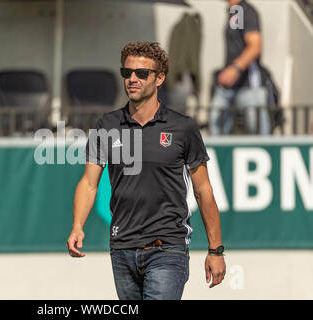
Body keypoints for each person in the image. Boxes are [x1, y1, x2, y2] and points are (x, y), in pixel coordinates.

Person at [67, 41, 226, 300]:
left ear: (159, 78)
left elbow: (203, 190)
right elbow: (88, 183)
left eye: (141, 74)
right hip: (122, 248)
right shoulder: (106, 125)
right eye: (126, 73)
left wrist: (215, 250)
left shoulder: (183, 127)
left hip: (167, 248)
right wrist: (77, 226)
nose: (132, 79)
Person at [209, 0, 271, 135]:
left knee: (260, 135)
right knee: (215, 129)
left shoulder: (247, 11)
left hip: (249, 86)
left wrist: (235, 68)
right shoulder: (233, 11)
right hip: (228, 87)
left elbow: (255, 47)